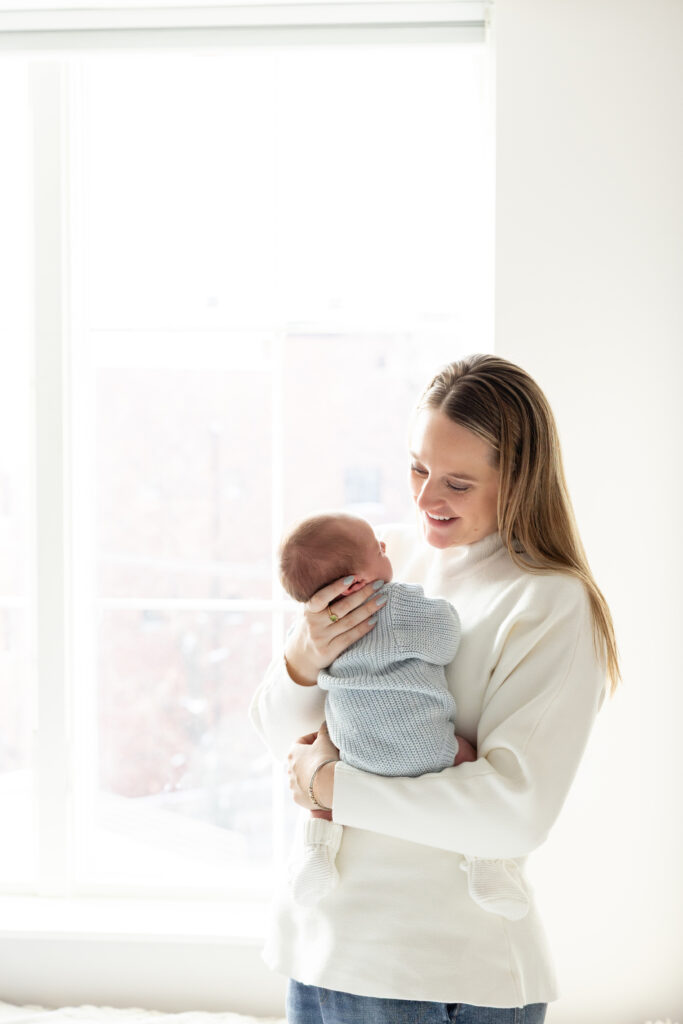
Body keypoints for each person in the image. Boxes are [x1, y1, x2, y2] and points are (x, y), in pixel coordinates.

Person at [249, 354, 620, 1024]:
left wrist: (330, 787)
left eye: (455, 481)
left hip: (438, 972)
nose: (423, 499)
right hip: (319, 948)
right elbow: (282, 739)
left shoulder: (546, 604)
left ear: (518, 482)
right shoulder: (382, 555)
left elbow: (513, 812)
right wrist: (304, 655)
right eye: (416, 468)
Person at [278, 510, 529, 919]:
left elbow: (289, 707)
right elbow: (446, 639)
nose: (385, 547)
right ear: (357, 581)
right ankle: (486, 861)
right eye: (377, 549)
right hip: (425, 749)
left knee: (320, 787)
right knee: (467, 756)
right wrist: (444, 611)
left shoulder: (315, 629)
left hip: (351, 755)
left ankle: (315, 851)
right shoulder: (402, 603)